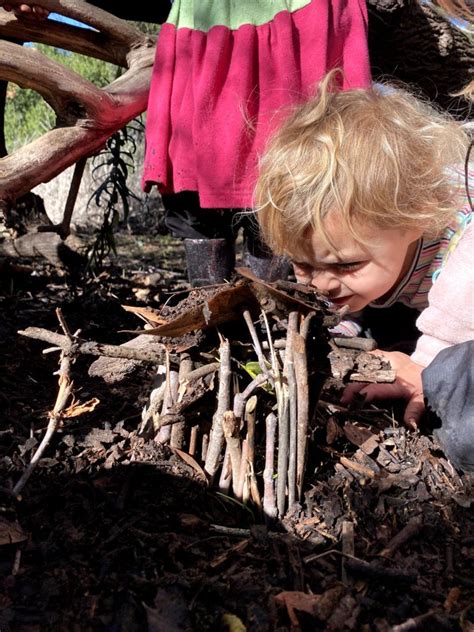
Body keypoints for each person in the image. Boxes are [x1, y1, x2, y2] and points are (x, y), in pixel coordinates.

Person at [255, 70, 473, 466]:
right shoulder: (370, 244)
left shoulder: (462, 240)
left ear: (416, 218)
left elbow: (463, 302)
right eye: (303, 263)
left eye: (346, 264)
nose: (320, 283)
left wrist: (427, 361)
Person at [142, 0, 371, 285]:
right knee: (204, 195)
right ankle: (210, 313)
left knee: (288, 190)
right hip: (214, 21)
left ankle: (271, 314)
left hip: (297, 19)